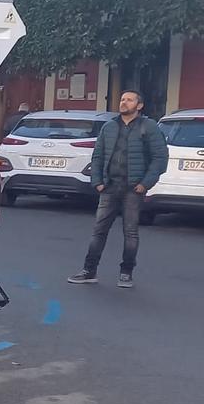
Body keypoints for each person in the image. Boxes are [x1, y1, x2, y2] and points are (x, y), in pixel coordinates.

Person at [67, 90, 168, 288]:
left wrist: (145, 183)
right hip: (109, 187)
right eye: (122, 99)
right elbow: (97, 156)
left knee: (130, 233)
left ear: (139, 106)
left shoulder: (149, 127)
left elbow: (160, 158)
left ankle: (126, 273)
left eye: (129, 100)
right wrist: (97, 181)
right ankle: (89, 271)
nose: (124, 102)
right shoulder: (109, 127)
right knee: (98, 231)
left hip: (133, 189)